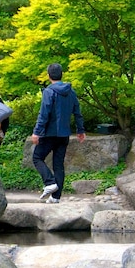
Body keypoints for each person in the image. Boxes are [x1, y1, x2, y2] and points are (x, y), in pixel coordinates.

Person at [31, 63, 85, 203]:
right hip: (64, 134)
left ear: (49, 76)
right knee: (58, 165)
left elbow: (44, 114)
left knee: (37, 157)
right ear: (61, 74)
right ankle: (56, 197)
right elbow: (77, 113)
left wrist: (36, 132)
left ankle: (49, 183)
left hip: (49, 134)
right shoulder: (70, 92)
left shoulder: (49, 92)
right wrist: (80, 130)